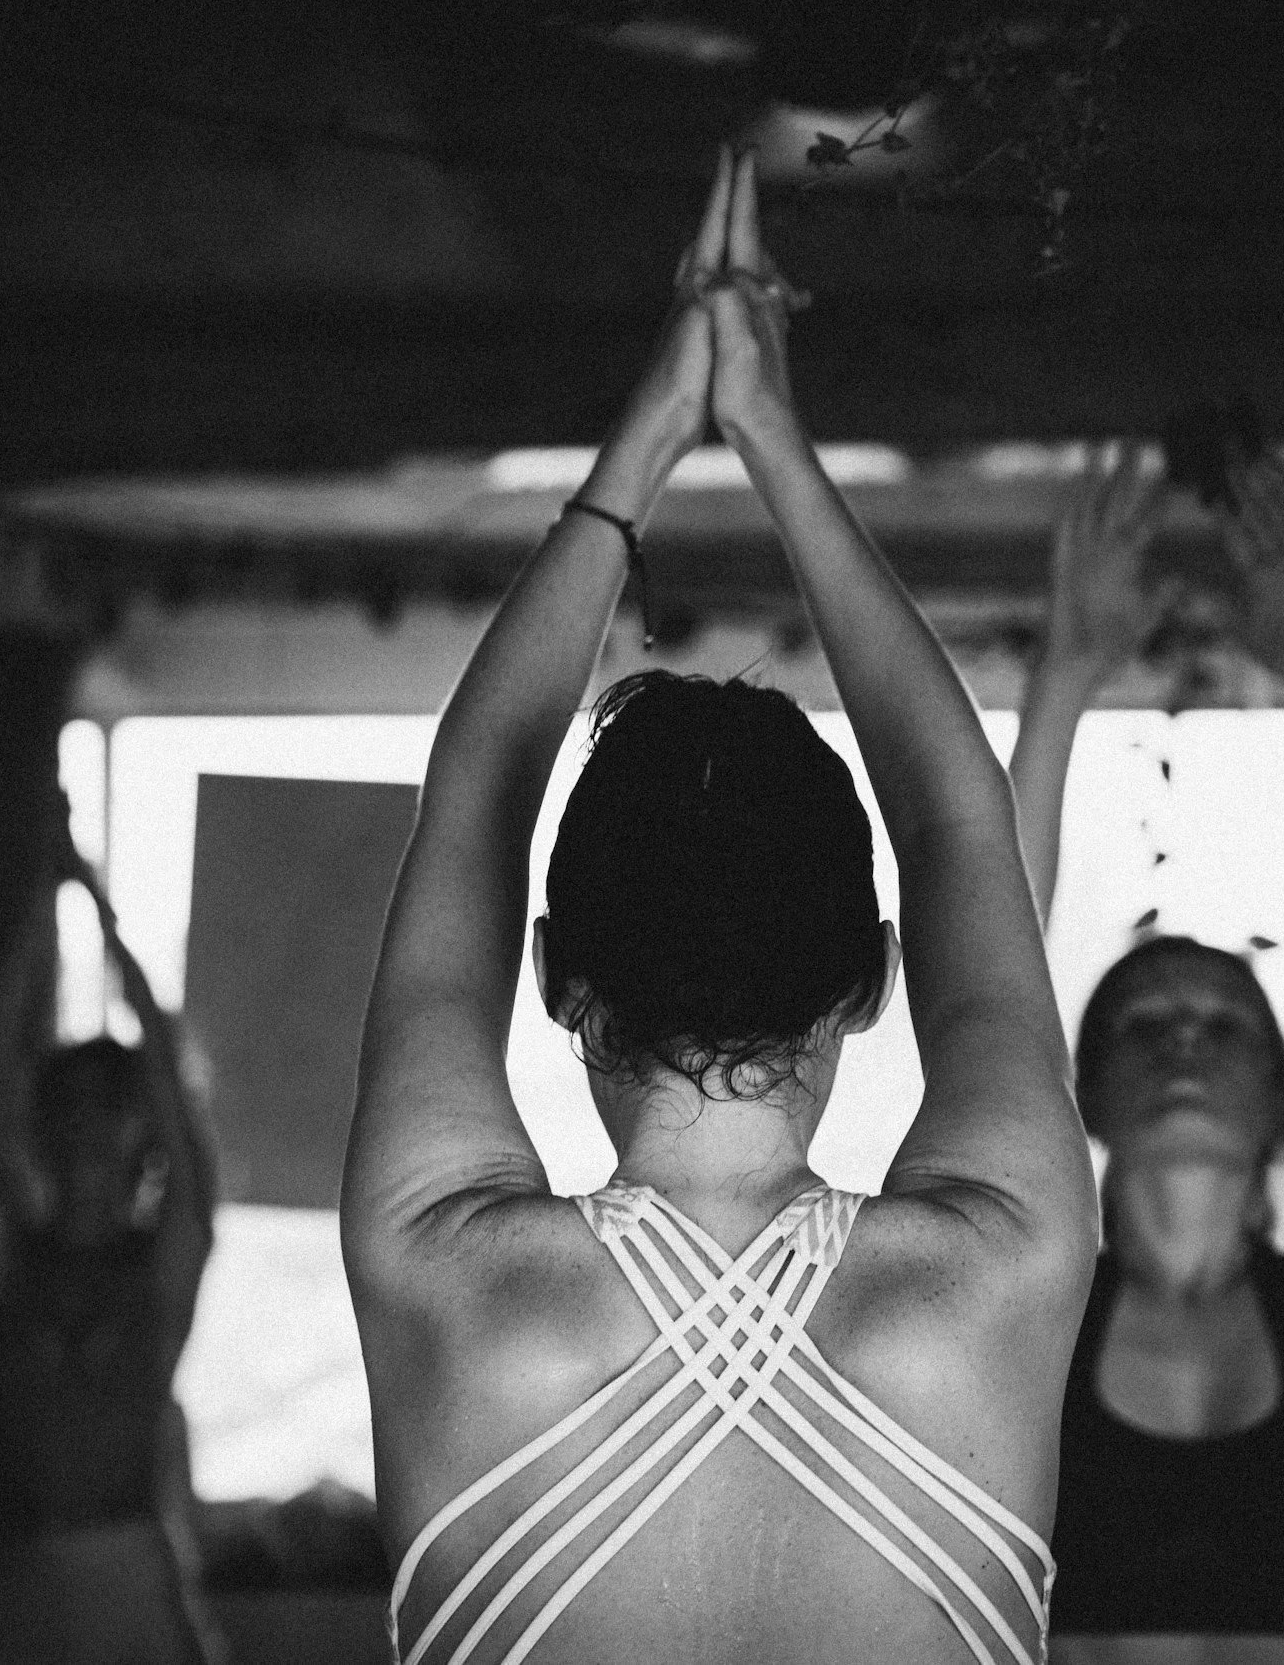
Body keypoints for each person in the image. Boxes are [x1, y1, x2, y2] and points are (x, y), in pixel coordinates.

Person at [345, 150, 1095, 1665]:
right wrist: (774, 438)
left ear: (553, 975)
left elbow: (478, 786)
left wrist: (644, 447)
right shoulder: (998, 1268)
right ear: (876, 975)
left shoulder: (446, 1275)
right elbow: (961, 820)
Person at [1012, 450, 1284, 1662]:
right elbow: (982, 983)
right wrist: (1061, 678)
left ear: (1279, 1093)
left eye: (1224, 1027)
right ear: (1088, 1086)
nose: (1184, 1047)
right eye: (1144, 1025)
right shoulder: (1024, 1322)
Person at [0, 820, 221, 1664]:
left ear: (136, 1138)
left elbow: (178, 1115)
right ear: (44, 1130)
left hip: (129, 1574)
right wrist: (42, 911)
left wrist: (102, 915)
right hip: (22, 1568)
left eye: (105, 1118)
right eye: (66, 1114)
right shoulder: (15, 1259)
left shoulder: (156, 1272)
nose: (85, 1138)